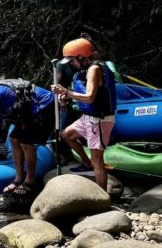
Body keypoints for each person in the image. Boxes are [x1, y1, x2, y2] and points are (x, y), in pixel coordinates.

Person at [50, 37, 117, 191]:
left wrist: (66, 92)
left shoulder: (94, 69)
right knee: (67, 135)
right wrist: (66, 96)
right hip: (89, 117)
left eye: (73, 60)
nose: (72, 64)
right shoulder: (88, 67)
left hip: (99, 120)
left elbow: (89, 97)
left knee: (97, 161)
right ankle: (86, 163)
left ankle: (102, 197)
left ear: (81, 56)